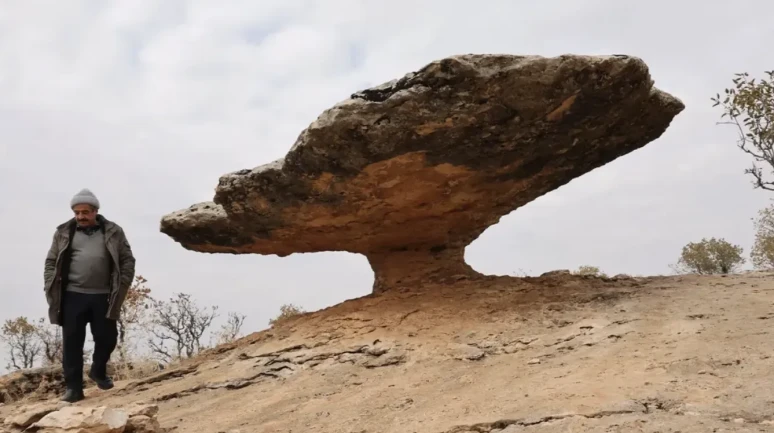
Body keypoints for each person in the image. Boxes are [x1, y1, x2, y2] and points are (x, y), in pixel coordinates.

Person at [43, 189, 136, 402]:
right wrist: (49, 282)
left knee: (107, 338)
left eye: (85, 212)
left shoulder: (113, 231)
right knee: (72, 343)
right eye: (77, 212)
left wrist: (123, 283)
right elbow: (51, 261)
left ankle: (98, 370)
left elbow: (127, 260)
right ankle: (74, 389)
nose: (80, 216)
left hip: (103, 295)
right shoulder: (63, 232)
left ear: (95, 211)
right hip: (72, 295)